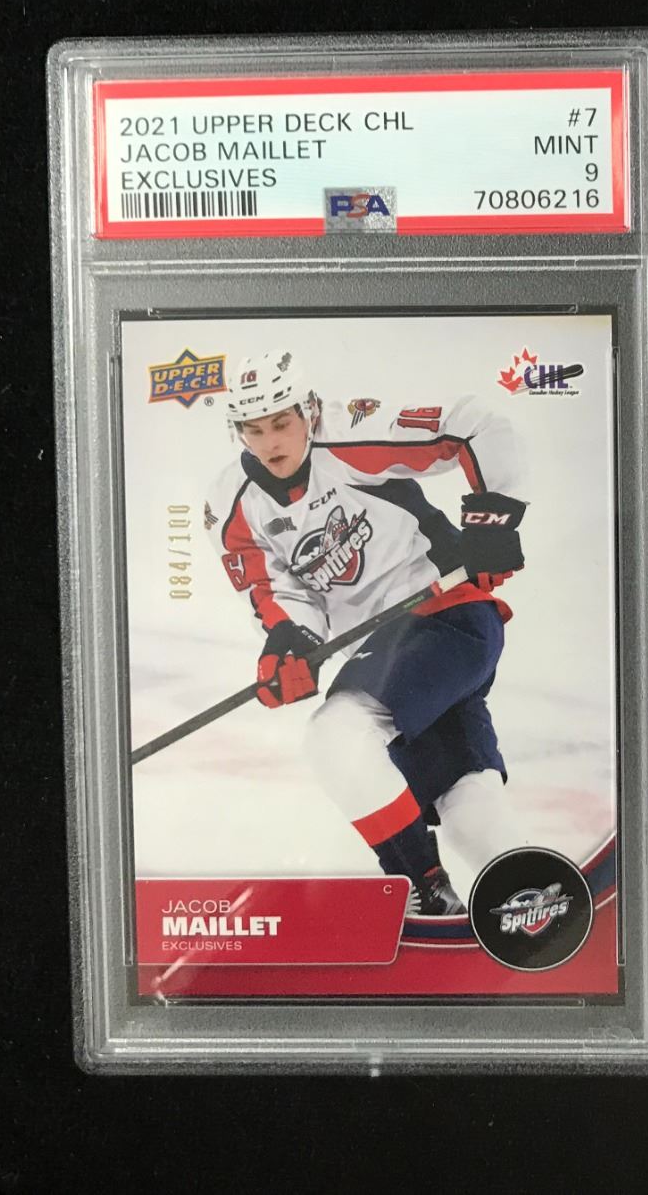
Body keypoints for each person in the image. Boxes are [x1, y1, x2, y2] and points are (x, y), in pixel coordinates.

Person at [205, 349, 528, 913]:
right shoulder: (233, 505)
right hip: (386, 653)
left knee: (336, 735)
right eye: (253, 430)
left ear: (308, 410)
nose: (271, 442)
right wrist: (292, 644)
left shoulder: (349, 434)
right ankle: (533, 897)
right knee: (462, 798)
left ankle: (422, 889)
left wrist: (491, 519)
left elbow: (477, 426)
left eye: (281, 423)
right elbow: (276, 592)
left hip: (449, 615)